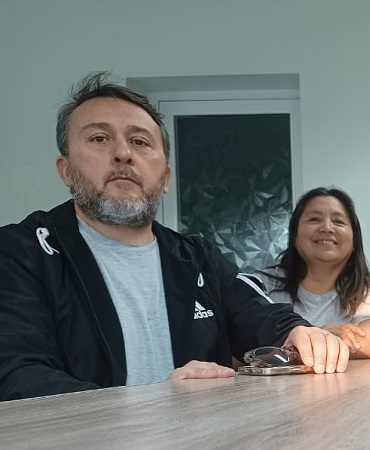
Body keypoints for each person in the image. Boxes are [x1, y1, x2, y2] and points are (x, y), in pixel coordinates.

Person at [0, 72, 349, 401]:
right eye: (99, 138)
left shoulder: (197, 256)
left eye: (140, 141)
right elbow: (16, 375)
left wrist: (298, 332)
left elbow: (258, 313)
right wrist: (154, 404)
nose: (123, 154)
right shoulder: (19, 252)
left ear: (165, 178)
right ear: (66, 170)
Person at [252, 187, 370, 359]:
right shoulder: (262, 285)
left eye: (339, 221)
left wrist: (300, 344)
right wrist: (320, 335)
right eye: (314, 219)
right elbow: (240, 352)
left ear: (354, 240)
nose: (327, 228)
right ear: (294, 236)